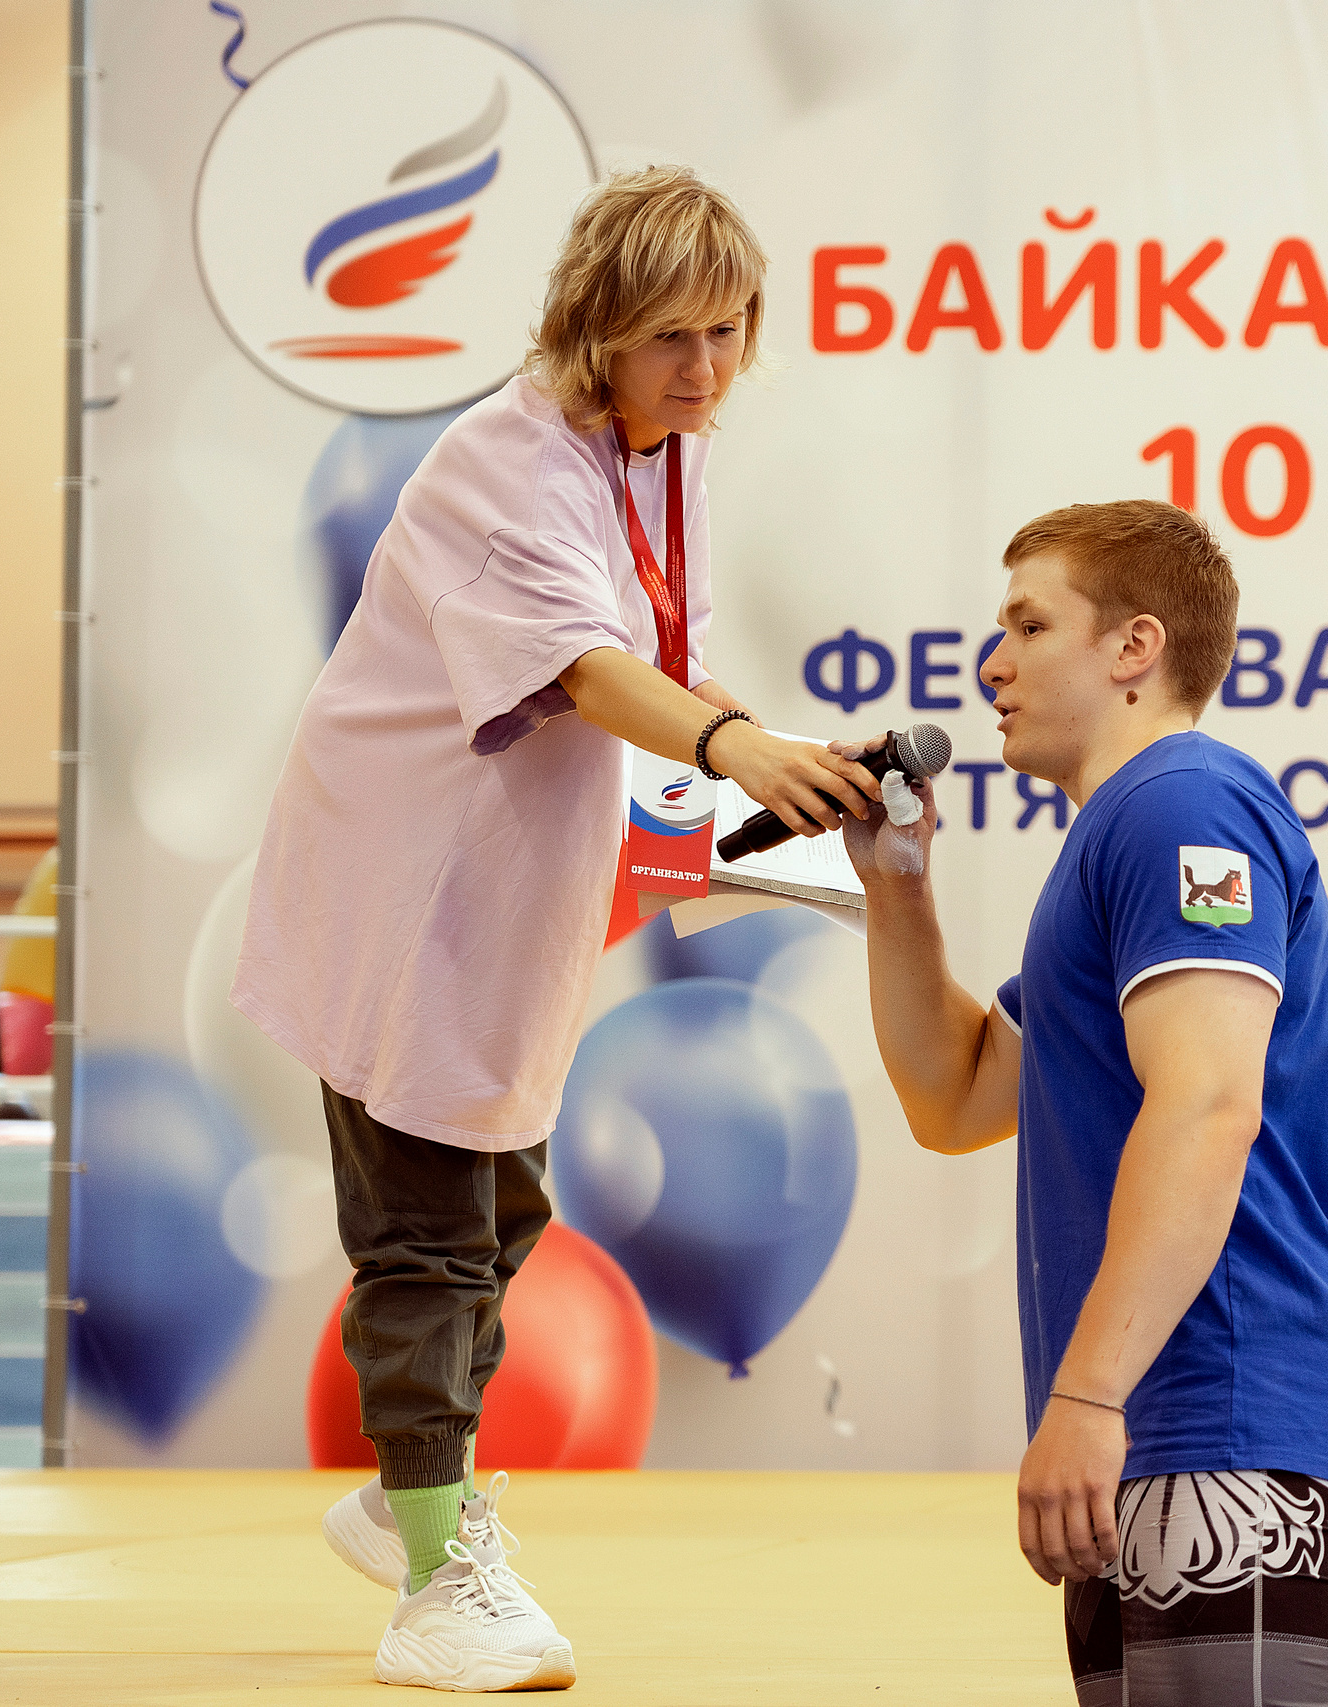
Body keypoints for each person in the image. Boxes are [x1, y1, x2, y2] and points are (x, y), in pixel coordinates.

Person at [235, 166, 881, 1694]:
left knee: (508, 1212)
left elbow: (669, 661)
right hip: (404, 892)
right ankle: (433, 1577)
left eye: (728, 332)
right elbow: (589, 669)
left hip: (511, 900)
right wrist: (734, 752)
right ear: (594, 329)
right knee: (424, 1231)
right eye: (673, 337)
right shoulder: (501, 465)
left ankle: (408, 1500)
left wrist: (776, 754)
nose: (706, 369)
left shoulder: (664, 457)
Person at [841, 499, 1328, 1707]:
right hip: (1157, 1418)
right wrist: (896, 886)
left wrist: (1086, 1394)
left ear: (1133, 648)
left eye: (1028, 624)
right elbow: (953, 1097)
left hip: (1229, 1401)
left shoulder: (1180, 804)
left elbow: (1207, 1108)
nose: (989, 663)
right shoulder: (1115, 838)